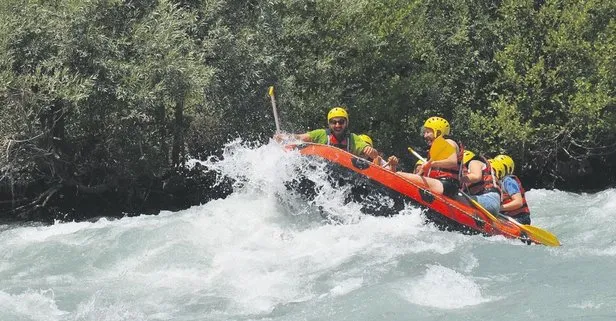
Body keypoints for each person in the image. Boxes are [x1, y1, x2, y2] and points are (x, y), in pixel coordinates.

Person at [274, 107, 379, 160]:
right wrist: (285, 137)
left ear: (346, 123)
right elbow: (300, 137)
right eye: (334, 122)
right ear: (329, 124)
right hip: (323, 168)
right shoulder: (321, 134)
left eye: (341, 122)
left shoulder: (352, 139)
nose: (337, 125)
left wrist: (371, 151)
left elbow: (372, 154)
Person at [397, 117, 462, 198]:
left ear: (438, 132)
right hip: (439, 183)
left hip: (446, 184)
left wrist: (431, 164)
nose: (425, 135)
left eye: (428, 132)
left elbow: (452, 161)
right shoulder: (436, 149)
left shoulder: (448, 142)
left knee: (399, 175)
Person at [460, 150, 501, 216]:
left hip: (488, 199)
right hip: (493, 203)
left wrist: (457, 178)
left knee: (456, 198)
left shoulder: (474, 162)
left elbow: (476, 177)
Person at [494, 154, 531, 225]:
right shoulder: (497, 182)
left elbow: (518, 202)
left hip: (520, 217)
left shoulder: (508, 181)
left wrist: (499, 208)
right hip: (507, 216)